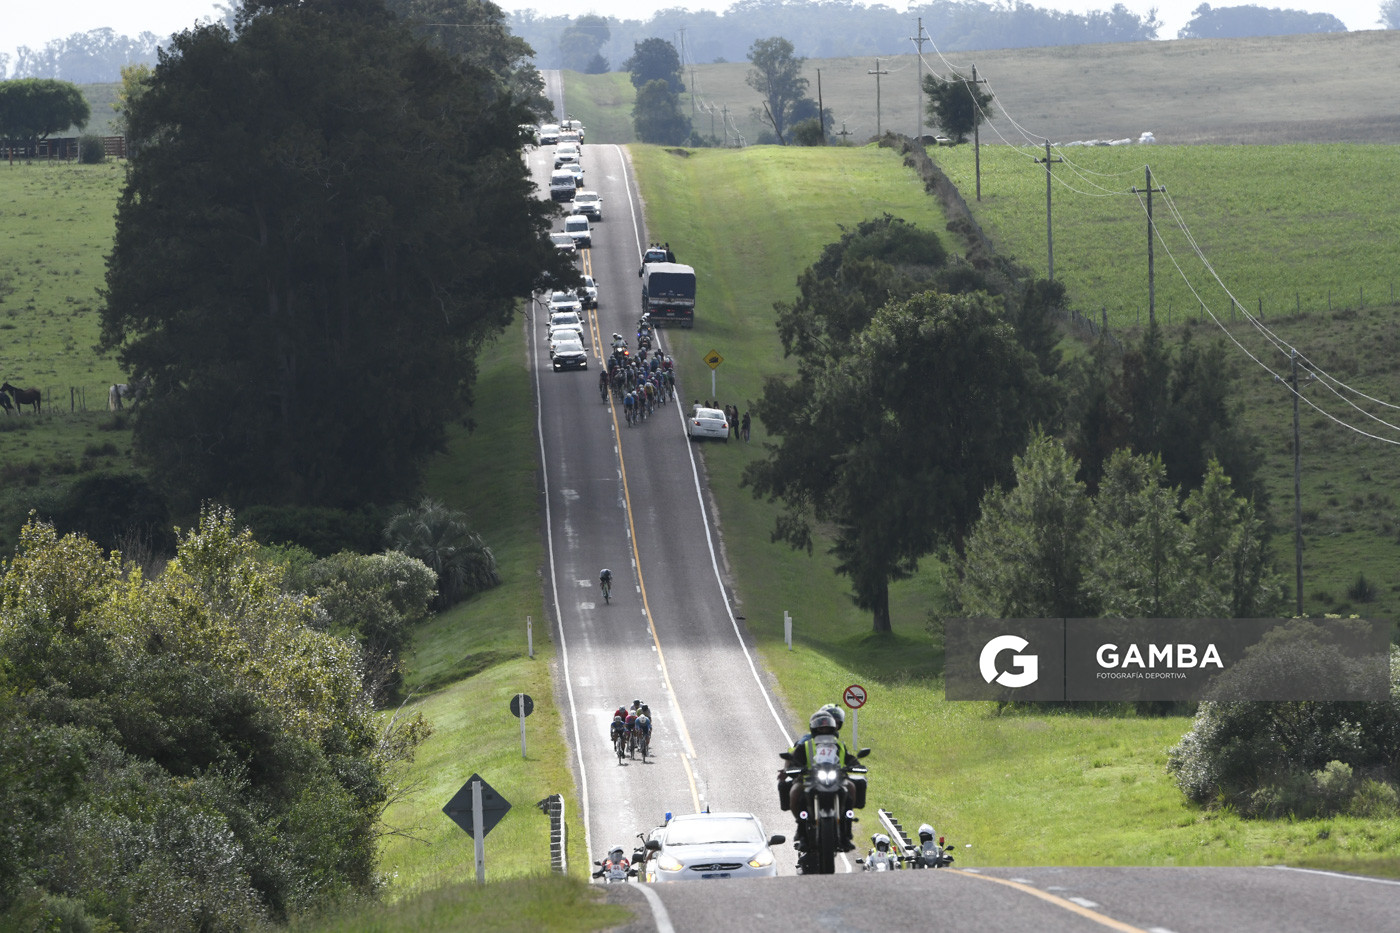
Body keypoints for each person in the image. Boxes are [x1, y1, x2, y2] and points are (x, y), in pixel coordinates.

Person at [781, 709, 861, 851]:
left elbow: (849, 758)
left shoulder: (838, 745)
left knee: (852, 787)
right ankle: (801, 828)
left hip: (836, 778)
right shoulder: (806, 745)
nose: (824, 730)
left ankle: (846, 830)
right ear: (814, 729)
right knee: (794, 791)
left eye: (827, 727)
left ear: (832, 729)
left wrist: (856, 765)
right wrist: (794, 768)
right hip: (808, 779)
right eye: (821, 728)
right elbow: (795, 760)